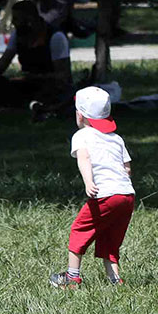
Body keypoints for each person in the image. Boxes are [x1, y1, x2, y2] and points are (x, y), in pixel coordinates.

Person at [51, 86, 135, 288]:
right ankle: (115, 279)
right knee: (110, 236)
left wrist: (89, 182)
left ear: (80, 115)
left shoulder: (82, 136)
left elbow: (84, 158)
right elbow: (127, 169)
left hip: (104, 194)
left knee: (79, 230)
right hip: (127, 195)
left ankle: (72, 277)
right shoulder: (117, 139)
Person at [0, 0, 72, 118]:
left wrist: (36, 77)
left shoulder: (55, 37)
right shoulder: (17, 35)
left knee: (50, 90)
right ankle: (26, 104)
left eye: (17, 19)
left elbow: (63, 76)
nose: (13, 23)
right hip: (28, 84)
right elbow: (1, 65)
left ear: (30, 20)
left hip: (49, 86)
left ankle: (30, 105)